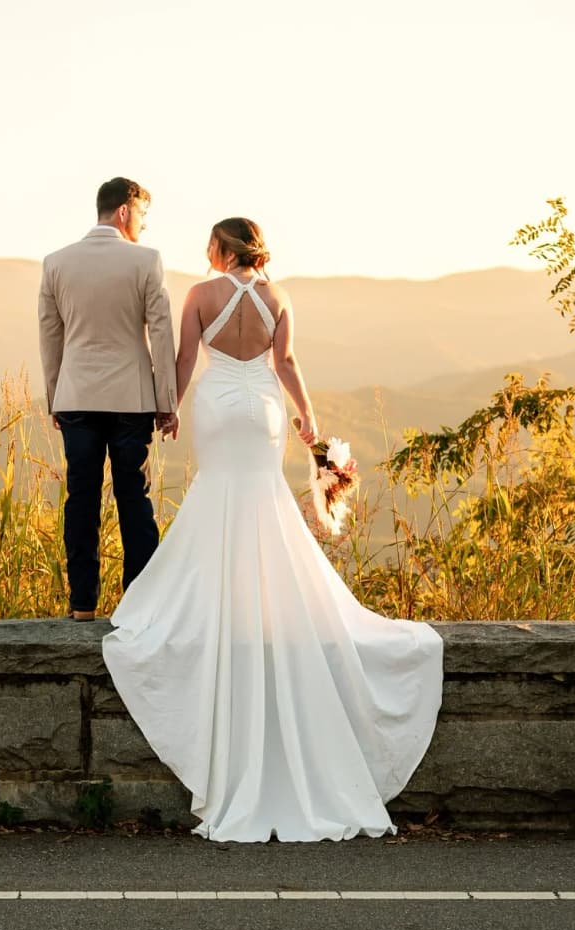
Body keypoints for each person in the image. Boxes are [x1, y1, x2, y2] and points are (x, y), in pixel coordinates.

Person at [100, 216, 443, 842]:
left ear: (221, 248)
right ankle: (269, 606)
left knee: (217, 495)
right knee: (263, 498)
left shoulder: (202, 295)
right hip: (261, 411)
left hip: (216, 406)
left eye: (210, 243)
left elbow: (182, 358)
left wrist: (169, 408)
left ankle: (219, 606)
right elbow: (285, 361)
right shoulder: (279, 297)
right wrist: (308, 418)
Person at [37, 177, 180, 621]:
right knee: (132, 496)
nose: (144, 226)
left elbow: (50, 334)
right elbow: (160, 331)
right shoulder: (146, 261)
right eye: (142, 215)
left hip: (76, 395)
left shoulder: (56, 262)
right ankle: (140, 605)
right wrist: (167, 399)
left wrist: (55, 396)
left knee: (81, 497)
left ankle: (82, 604)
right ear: (124, 211)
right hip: (131, 398)